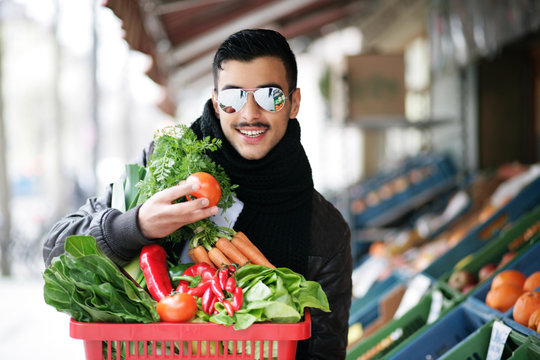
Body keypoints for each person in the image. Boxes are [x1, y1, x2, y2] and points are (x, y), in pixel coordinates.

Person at [43, 28, 352, 359]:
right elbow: (55, 254)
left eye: (269, 96)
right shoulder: (162, 167)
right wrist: (136, 226)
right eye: (233, 98)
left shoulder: (326, 235)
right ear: (217, 104)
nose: (250, 114)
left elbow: (325, 353)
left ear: (293, 103)